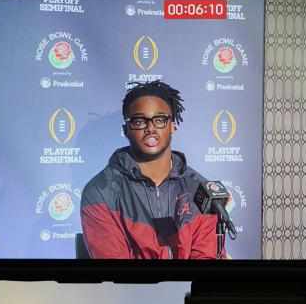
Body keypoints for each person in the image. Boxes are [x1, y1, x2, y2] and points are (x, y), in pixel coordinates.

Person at [80, 80, 222, 259]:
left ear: (172, 125)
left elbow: (206, 265)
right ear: (126, 130)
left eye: (160, 119)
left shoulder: (201, 191)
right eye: (139, 121)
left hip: (187, 288)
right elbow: (114, 271)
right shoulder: (100, 192)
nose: (150, 128)